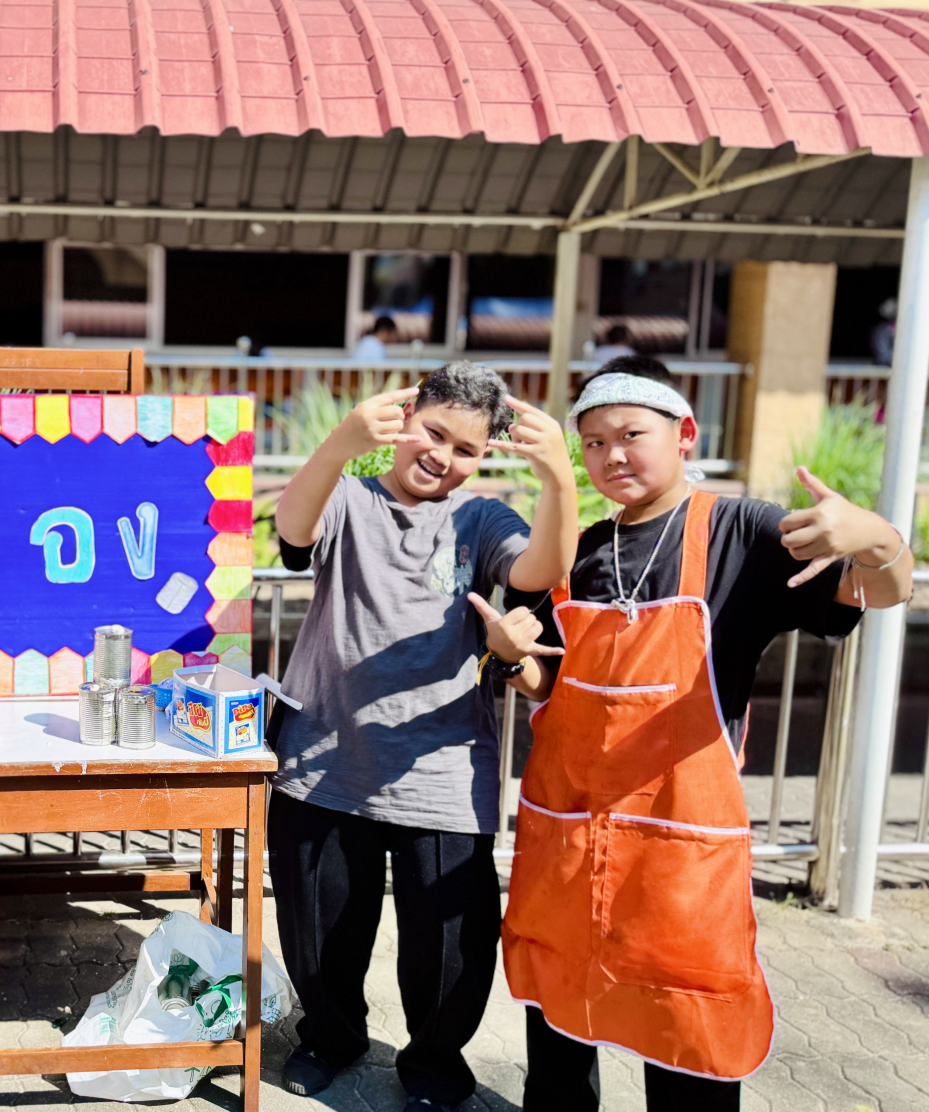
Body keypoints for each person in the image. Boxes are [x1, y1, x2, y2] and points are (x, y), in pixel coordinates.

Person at [476, 356, 913, 1111]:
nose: (612, 455)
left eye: (631, 435)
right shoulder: (581, 551)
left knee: (687, 1031)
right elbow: (552, 681)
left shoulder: (743, 533)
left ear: (685, 434)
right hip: (571, 842)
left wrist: (876, 539)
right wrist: (512, 660)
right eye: (594, 442)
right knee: (559, 1029)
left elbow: (880, 592)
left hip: (679, 859)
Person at [269, 361, 579, 1111]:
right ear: (404, 419)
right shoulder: (348, 497)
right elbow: (293, 531)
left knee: (450, 949)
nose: (442, 456)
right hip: (324, 761)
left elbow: (539, 569)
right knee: (320, 930)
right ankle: (331, 1037)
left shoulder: (483, 520)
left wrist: (559, 481)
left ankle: (436, 1066)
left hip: (442, 770)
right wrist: (341, 443)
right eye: (433, 432)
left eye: (466, 449)